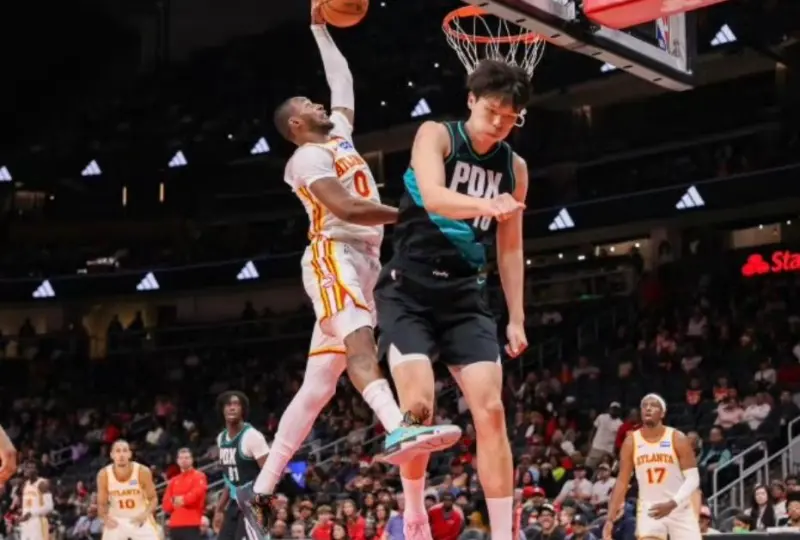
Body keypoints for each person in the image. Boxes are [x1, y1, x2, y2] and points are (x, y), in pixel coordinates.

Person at [239, 0, 462, 530]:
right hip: (332, 255)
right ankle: (397, 425)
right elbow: (346, 207)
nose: (319, 102)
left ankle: (260, 489)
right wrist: (412, 213)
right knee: (361, 343)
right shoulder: (306, 158)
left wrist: (320, 29)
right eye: (307, 103)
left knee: (318, 387)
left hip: (365, 259)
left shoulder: (338, 135)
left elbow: (342, 81)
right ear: (297, 123)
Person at [373, 58, 531, 540]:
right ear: (471, 101)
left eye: (510, 116)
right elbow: (434, 196)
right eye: (492, 111)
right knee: (419, 407)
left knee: (492, 411)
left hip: (465, 297)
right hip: (409, 290)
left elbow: (510, 248)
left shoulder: (514, 168)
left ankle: (503, 534)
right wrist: (488, 205)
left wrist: (517, 318)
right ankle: (414, 511)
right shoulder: (436, 135)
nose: (499, 122)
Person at [603, 394, 702, 540]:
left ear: (662, 413)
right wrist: (610, 519)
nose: (648, 408)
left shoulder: (677, 438)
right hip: (650, 507)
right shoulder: (631, 442)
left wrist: (674, 504)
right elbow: (622, 481)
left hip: (678, 505)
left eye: (654, 405)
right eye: (644, 406)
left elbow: (693, 479)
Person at [213, 392, 270, 540]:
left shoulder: (252, 436)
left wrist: (261, 505)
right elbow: (229, 479)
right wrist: (219, 508)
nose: (232, 408)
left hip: (254, 502)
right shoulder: (221, 438)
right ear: (222, 410)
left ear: (243, 409)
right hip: (235, 501)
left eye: (236, 404)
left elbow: (270, 473)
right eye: (228, 405)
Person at [96, 440, 160, 540]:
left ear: (130, 454)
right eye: (118, 451)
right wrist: (105, 518)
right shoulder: (104, 474)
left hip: (139, 517)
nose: (121, 455)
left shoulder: (142, 471)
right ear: (112, 455)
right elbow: (101, 503)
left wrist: (145, 514)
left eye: (124, 451)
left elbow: (153, 498)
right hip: (116, 519)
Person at [162, 448, 208, 540]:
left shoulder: (199, 476)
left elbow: (196, 495)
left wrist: (180, 500)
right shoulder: (173, 481)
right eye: (181, 458)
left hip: (192, 524)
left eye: (187, 458)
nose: (184, 460)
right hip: (175, 525)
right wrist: (181, 500)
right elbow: (166, 505)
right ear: (177, 461)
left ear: (192, 460)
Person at [18, 461, 53, 540]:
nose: (27, 469)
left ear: (37, 470)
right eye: (27, 467)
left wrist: (31, 513)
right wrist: (21, 515)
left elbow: (49, 506)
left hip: (38, 523)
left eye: (30, 467)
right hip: (26, 524)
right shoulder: (25, 485)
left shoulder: (42, 484)